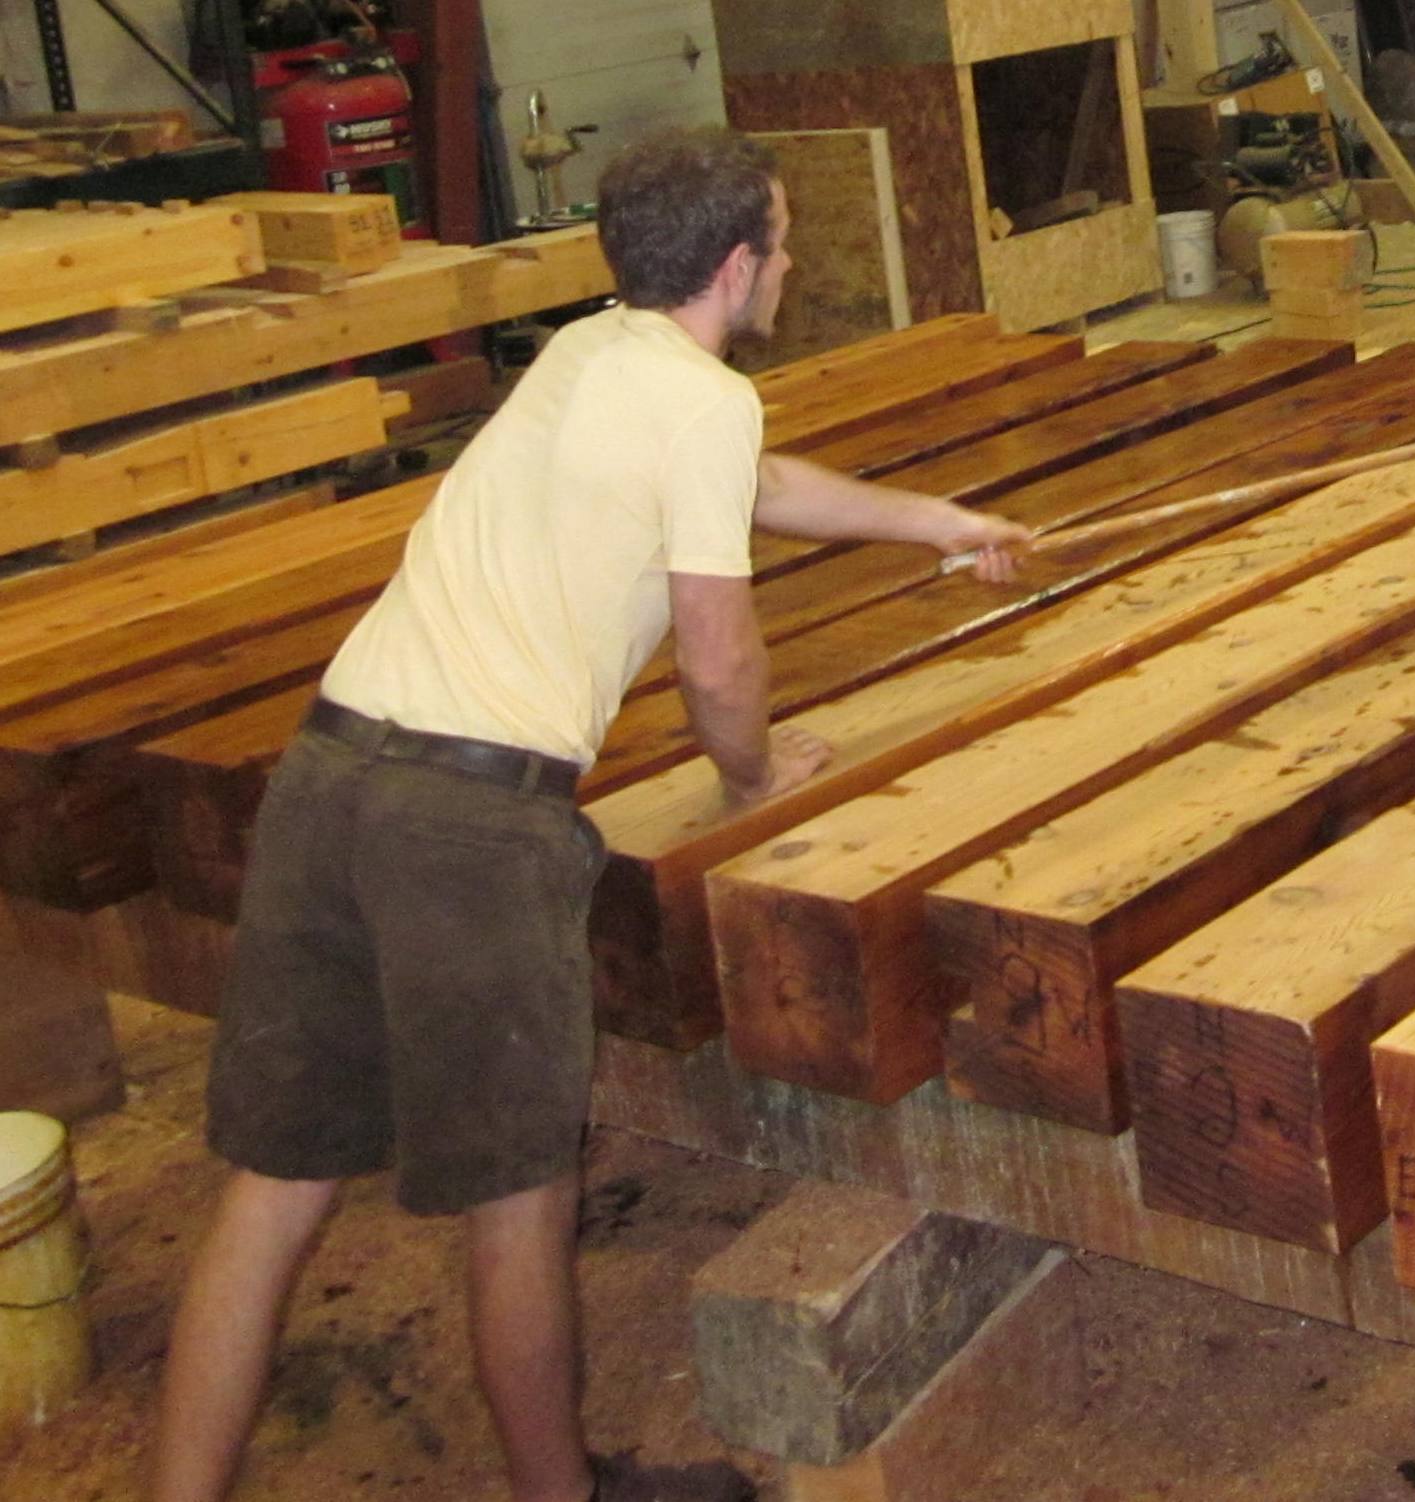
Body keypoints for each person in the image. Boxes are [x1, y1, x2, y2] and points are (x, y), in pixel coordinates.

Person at [148, 127, 1029, 1502]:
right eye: (783, 244)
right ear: (737, 269)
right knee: (521, 1203)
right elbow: (719, 660)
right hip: (468, 828)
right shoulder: (701, 402)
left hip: (327, 781)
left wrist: (937, 521)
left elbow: (750, 486)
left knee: (273, 1189)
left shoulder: (588, 357)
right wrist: (751, 775)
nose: (791, 263)